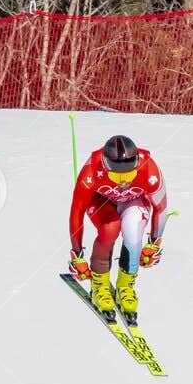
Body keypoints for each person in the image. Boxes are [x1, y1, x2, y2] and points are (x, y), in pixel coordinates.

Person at [67, 135, 169, 325]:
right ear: (105, 165)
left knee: (133, 230)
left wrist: (154, 243)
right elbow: (77, 212)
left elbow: (161, 207)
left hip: (133, 201)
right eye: (116, 174)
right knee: (110, 229)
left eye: (129, 173)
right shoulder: (91, 171)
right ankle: (99, 285)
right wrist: (77, 254)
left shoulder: (150, 170)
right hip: (101, 202)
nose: (122, 181)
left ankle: (125, 286)